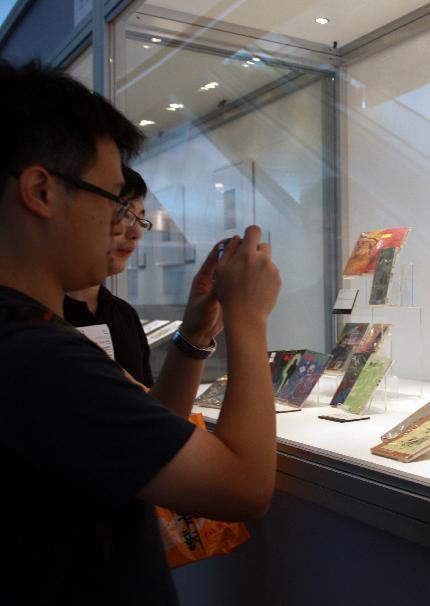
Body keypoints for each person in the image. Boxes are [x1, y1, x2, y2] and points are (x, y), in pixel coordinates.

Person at [0, 61, 281, 604]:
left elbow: (147, 434)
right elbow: (244, 487)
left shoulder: (30, 335)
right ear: (41, 191)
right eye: (110, 196)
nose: (120, 224)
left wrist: (199, 329)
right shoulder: (38, 357)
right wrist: (248, 321)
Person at [65, 165, 154, 386]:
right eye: (123, 213)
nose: (135, 233)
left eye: (139, 220)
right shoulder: (36, 317)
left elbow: (153, 411)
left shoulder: (125, 314)